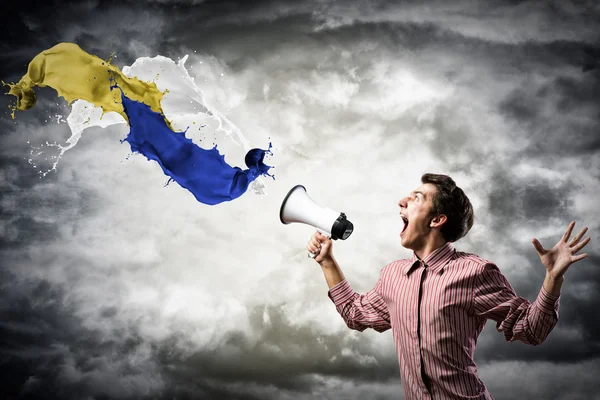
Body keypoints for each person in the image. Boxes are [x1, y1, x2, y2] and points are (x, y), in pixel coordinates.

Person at [307, 173, 591, 400]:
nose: (401, 201)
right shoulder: (392, 277)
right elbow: (355, 315)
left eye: (416, 198)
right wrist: (327, 262)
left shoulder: (476, 272)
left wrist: (553, 278)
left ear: (437, 220)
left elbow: (531, 331)